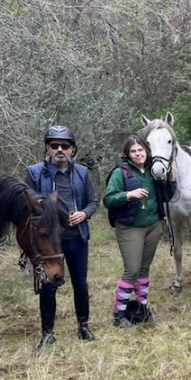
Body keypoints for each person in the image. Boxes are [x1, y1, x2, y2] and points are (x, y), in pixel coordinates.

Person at [25, 125, 98, 352]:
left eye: (64, 146)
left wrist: (84, 213)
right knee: (48, 286)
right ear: (47, 147)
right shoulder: (35, 173)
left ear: (72, 149)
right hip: (49, 242)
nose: (59, 149)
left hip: (76, 236)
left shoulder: (82, 173)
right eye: (54, 145)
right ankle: (47, 334)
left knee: (80, 283)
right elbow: (27, 206)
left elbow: (93, 201)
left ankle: (83, 327)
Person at [104, 136, 176, 328]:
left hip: (153, 226)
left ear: (147, 151)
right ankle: (119, 313)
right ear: (127, 154)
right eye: (133, 151)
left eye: (141, 150)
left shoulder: (154, 171)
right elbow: (108, 199)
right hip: (130, 228)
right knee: (132, 270)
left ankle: (141, 309)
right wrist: (128, 194)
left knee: (144, 270)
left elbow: (166, 195)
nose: (138, 154)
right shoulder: (121, 173)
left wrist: (173, 180)